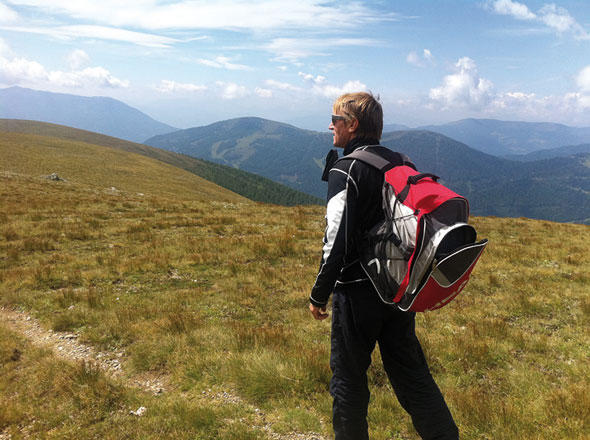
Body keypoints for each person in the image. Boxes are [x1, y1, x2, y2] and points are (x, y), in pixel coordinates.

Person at [309, 92, 459, 440]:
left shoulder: (345, 169)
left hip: (355, 294)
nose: (331, 125)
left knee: (348, 380)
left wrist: (320, 293)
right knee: (412, 376)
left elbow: (337, 239)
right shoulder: (399, 163)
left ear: (353, 126)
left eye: (336, 120)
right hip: (397, 288)